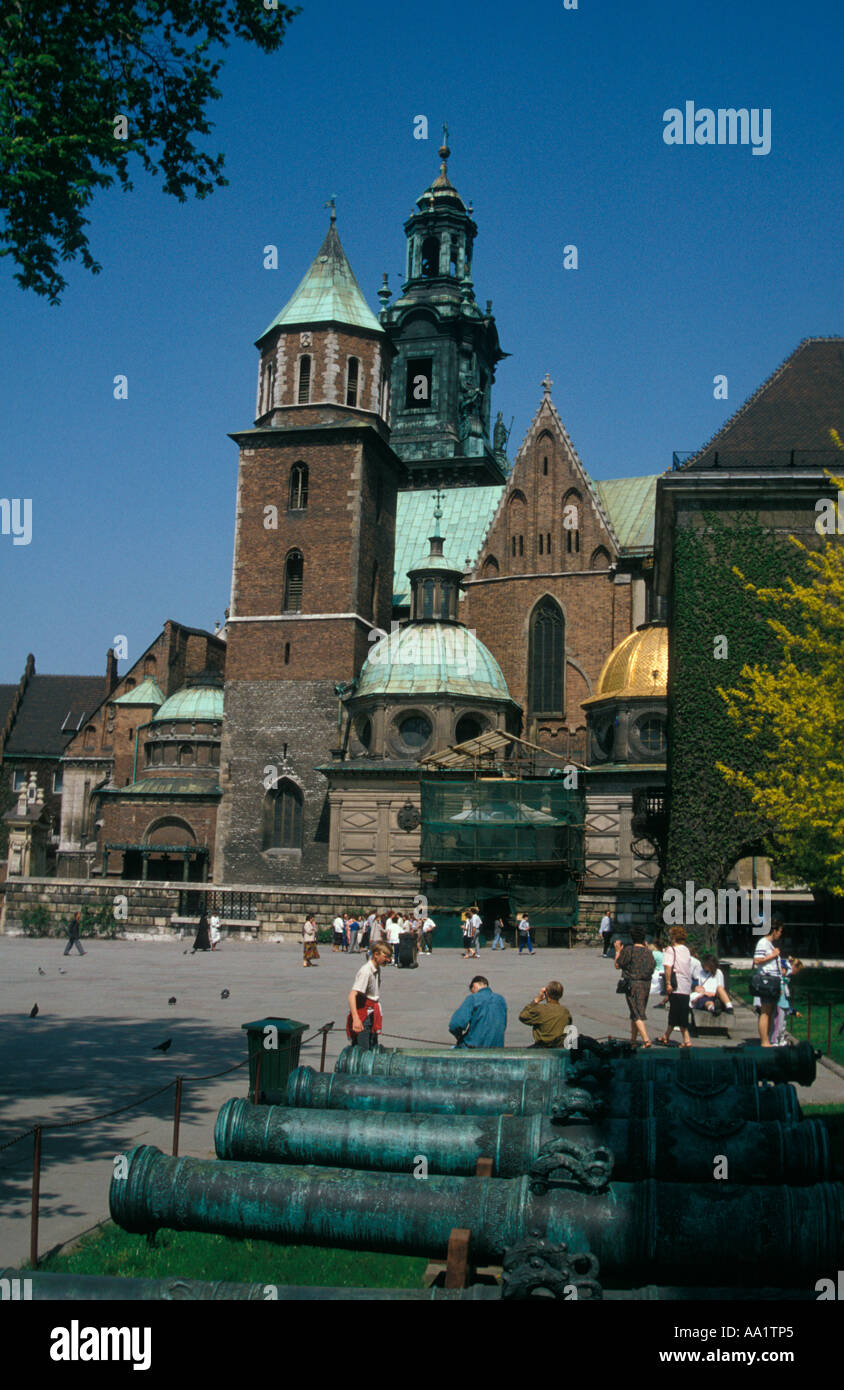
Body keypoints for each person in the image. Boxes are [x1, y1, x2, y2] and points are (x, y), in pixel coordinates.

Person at [346, 943, 392, 1049]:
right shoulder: (366, 971)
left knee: (371, 1048)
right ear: (376, 954)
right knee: (363, 1051)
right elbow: (352, 995)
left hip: (371, 1014)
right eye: (386, 956)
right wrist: (356, 1019)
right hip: (363, 1016)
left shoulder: (377, 969)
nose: (388, 960)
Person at [615, 927, 655, 1047]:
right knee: (635, 1011)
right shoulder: (649, 952)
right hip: (646, 984)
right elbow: (653, 966)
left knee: (636, 1012)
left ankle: (646, 1040)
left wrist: (617, 951)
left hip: (632, 984)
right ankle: (633, 1040)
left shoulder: (629, 950)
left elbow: (618, 964)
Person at [656, 925, 693, 1047]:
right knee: (677, 1011)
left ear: (673, 937)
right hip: (686, 985)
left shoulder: (670, 950)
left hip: (676, 985)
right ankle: (666, 1036)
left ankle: (686, 1040)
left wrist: (667, 983)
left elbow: (668, 967)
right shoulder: (686, 950)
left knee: (677, 1012)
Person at [448, 976, 507, 1048]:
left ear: (474, 986)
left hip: (474, 1047)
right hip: (497, 1048)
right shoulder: (501, 1000)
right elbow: (503, 1025)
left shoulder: (473, 998)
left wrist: (459, 1036)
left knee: (453, 1049)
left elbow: (455, 1024)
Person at [753, 919, 785, 1046]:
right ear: (774, 930)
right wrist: (773, 955)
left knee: (769, 1012)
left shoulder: (769, 944)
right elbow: (757, 960)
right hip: (767, 982)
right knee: (765, 1012)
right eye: (780, 931)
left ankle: (767, 1038)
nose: (780, 934)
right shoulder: (763, 943)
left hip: (773, 982)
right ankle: (764, 1041)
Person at [518, 981, 572, 1048]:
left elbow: (522, 1016)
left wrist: (537, 1000)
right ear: (561, 995)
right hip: (559, 1048)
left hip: (541, 1047)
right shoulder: (565, 1012)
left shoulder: (540, 1009)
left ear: (546, 993)